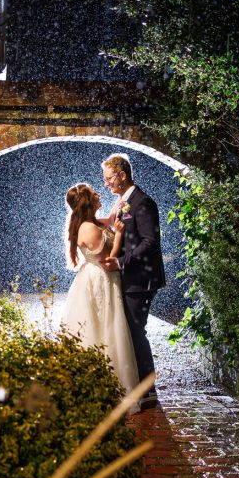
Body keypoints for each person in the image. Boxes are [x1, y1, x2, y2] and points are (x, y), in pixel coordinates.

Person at [60, 183, 140, 409]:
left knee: (105, 326)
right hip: (101, 280)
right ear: (87, 201)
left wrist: (121, 200)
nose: (98, 195)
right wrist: (120, 236)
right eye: (94, 194)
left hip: (99, 279)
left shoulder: (93, 223)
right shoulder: (89, 229)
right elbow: (108, 261)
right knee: (105, 327)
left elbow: (111, 217)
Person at [99, 154, 165, 410]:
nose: (106, 184)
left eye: (108, 179)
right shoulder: (124, 201)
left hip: (142, 279)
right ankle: (139, 385)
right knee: (131, 331)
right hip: (132, 278)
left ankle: (148, 391)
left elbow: (150, 242)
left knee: (137, 332)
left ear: (122, 175)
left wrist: (123, 261)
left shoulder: (143, 202)